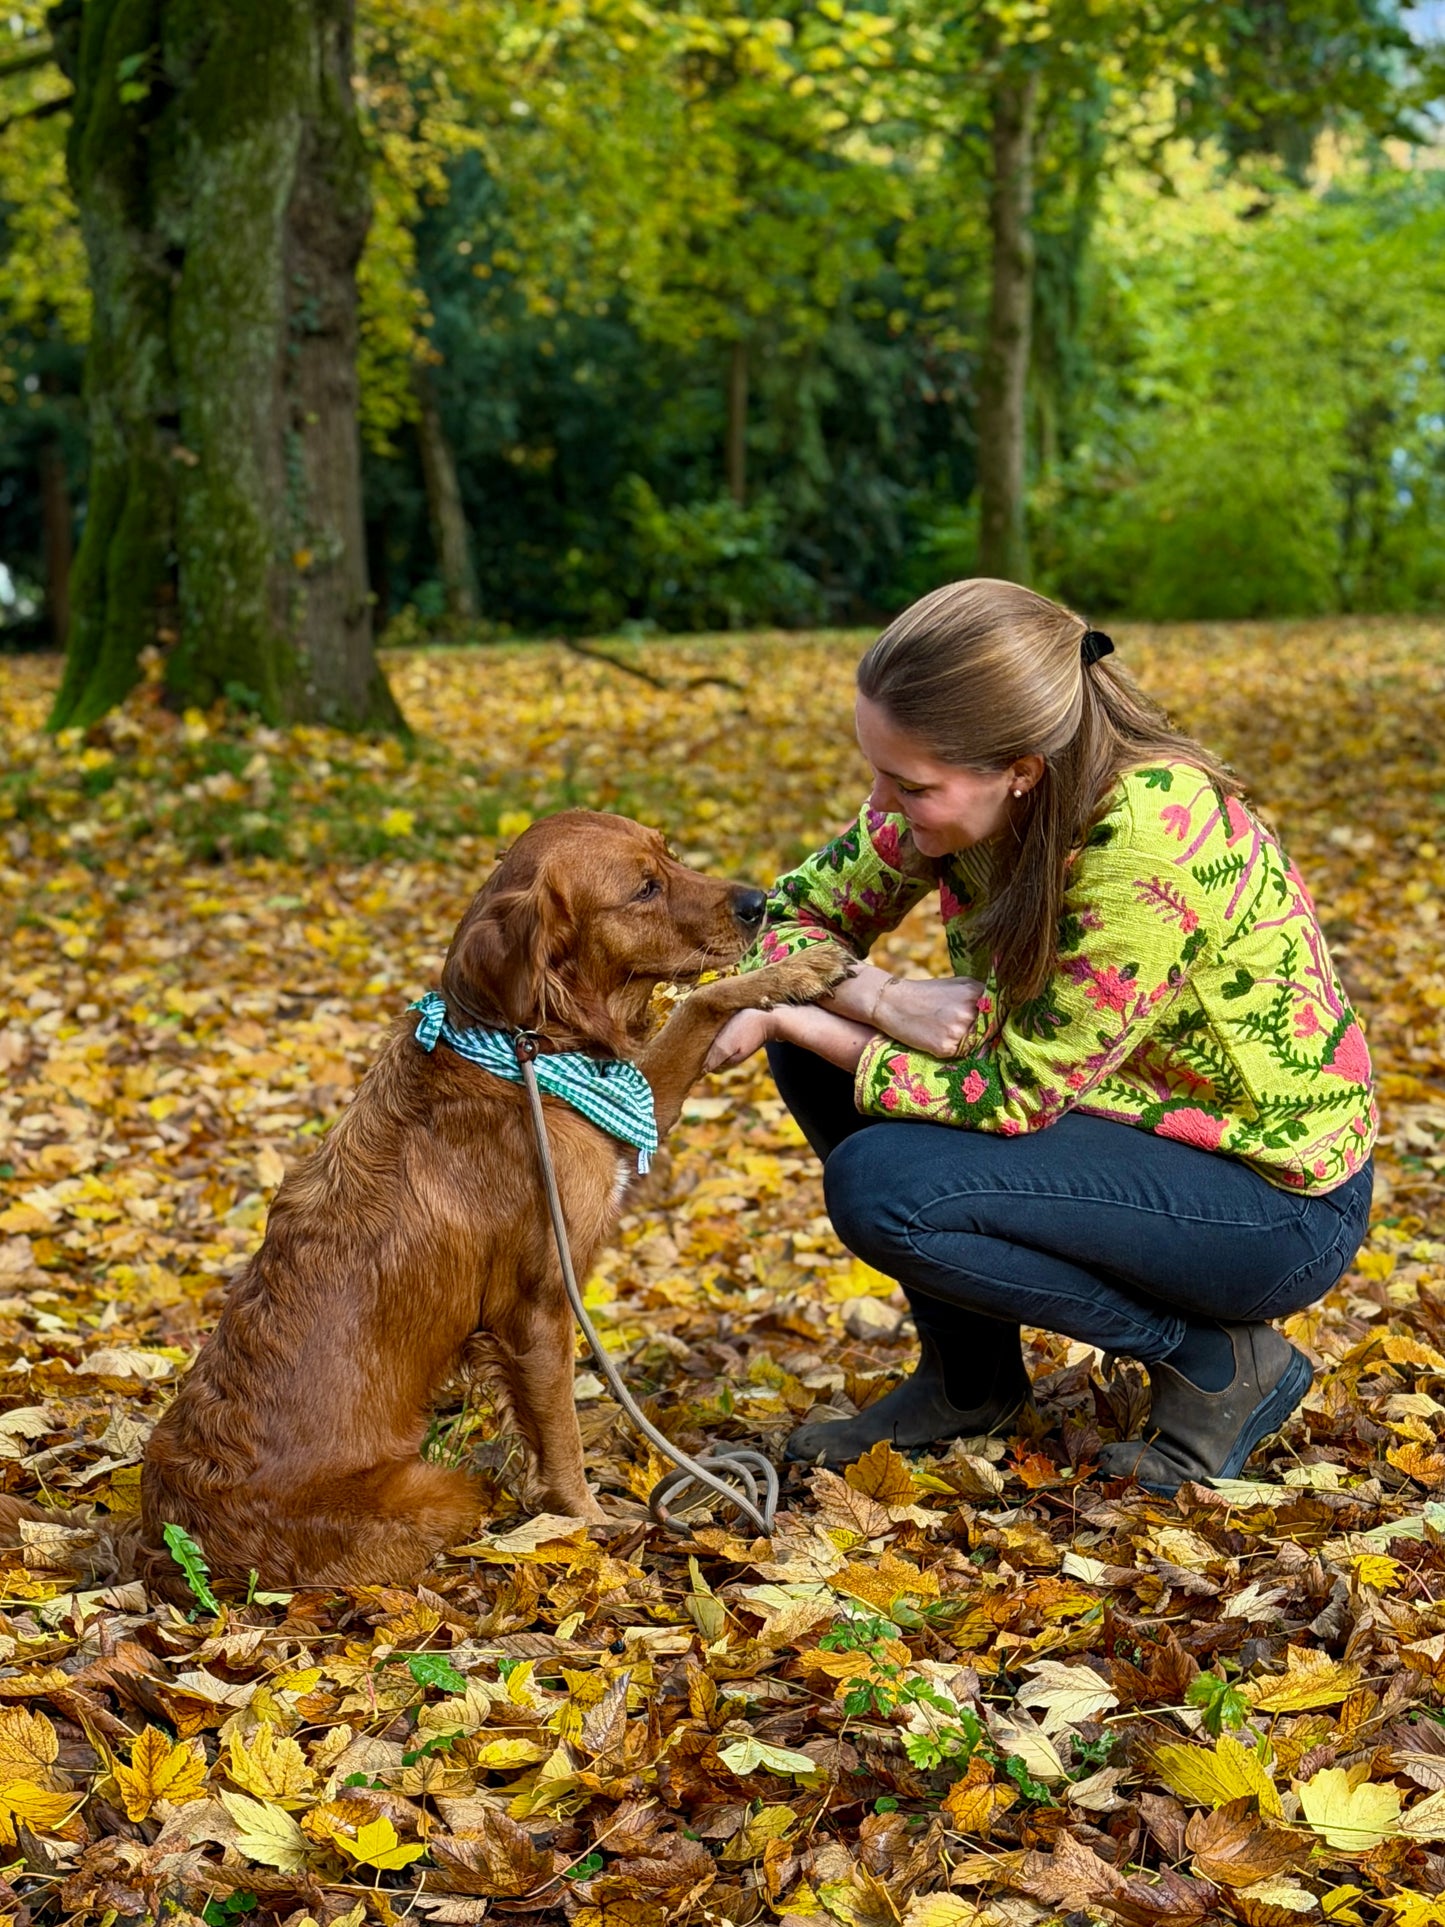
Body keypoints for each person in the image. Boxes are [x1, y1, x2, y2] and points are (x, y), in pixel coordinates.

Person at [706, 579, 1376, 1495]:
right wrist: (882, 995)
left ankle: (1213, 1360)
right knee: (818, 1031)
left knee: (880, 1182)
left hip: (1266, 1199)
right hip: (1121, 1117)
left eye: (908, 785)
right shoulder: (956, 793)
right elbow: (790, 914)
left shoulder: (1144, 838)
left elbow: (1018, 1092)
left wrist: (814, 1011)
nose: (881, 805)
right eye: (877, 772)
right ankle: (968, 1384)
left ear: (1018, 767)